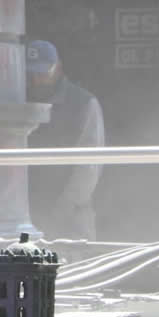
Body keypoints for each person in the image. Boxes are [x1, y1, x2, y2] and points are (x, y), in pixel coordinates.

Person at [26, 40, 105, 240]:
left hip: (71, 216)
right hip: (29, 213)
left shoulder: (84, 103)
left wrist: (62, 209)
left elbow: (89, 166)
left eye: (44, 72)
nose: (37, 79)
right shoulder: (19, 99)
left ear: (58, 67)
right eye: (32, 73)